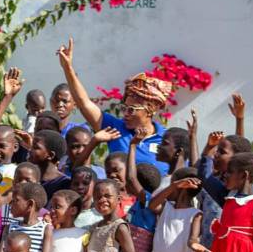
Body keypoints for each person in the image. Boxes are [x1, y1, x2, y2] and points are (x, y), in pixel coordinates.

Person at [57, 37, 172, 175]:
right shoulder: (116, 130)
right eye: (124, 108)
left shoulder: (166, 139)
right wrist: (68, 68)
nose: (125, 114)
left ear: (150, 110)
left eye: (131, 109)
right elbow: (84, 103)